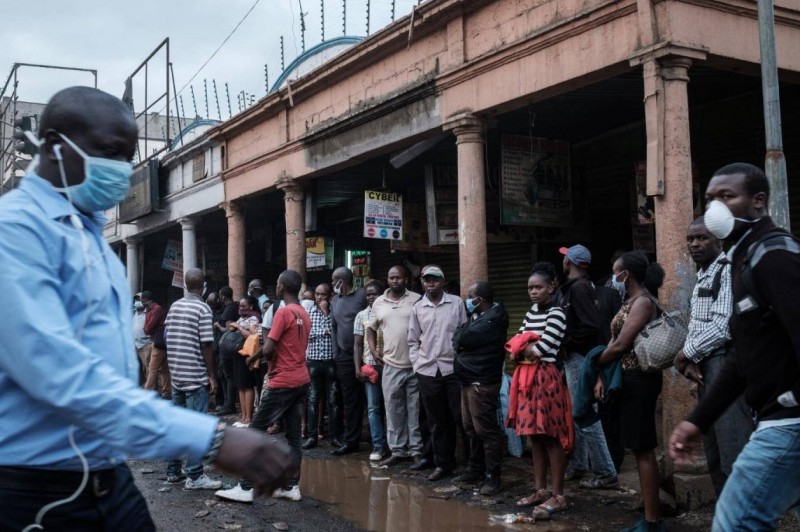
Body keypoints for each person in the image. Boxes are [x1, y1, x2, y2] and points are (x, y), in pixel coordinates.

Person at [0, 86, 292, 530]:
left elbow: (113, 375)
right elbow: (60, 375)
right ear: (57, 147)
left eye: (129, 156)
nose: (122, 170)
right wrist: (213, 439)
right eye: (111, 153)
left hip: (108, 477)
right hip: (37, 491)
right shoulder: (14, 233)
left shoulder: (91, 240)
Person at [670, 163, 800, 531]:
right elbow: (744, 354)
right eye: (711, 198)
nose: (716, 207)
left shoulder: (774, 255)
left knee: (735, 522)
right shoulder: (744, 259)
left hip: (788, 421)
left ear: (758, 202)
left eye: (727, 196)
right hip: (775, 418)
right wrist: (698, 420)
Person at [673, 216, 753, 496]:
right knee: (715, 453)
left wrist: (686, 353)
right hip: (707, 366)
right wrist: (691, 359)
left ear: (718, 238)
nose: (694, 244)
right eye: (690, 239)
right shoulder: (702, 274)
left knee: (733, 448)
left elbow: (723, 327)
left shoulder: (727, 270)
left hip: (724, 364)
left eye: (702, 238)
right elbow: (698, 324)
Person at [216, 270, 312, 504]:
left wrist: (252, 357)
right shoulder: (303, 312)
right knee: (293, 437)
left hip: (283, 381)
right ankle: (291, 486)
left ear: (280, 286)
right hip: (301, 379)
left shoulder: (283, 312)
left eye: (277, 284)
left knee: (254, 431)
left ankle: (246, 487)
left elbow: (269, 348)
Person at [596, 251, 665, 532]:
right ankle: (649, 515)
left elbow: (622, 343)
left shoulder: (643, 302)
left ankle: (652, 521)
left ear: (627, 275)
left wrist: (594, 362)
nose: (613, 278)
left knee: (643, 448)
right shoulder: (630, 300)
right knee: (638, 448)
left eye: (616, 273)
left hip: (639, 379)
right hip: (627, 378)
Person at [508, 263, 570, 518]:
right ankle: (540, 490)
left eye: (538, 287)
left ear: (551, 287)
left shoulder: (557, 313)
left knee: (550, 436)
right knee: (533, 436)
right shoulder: (532, 311)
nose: (533, 292)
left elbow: (537, 350)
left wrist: (524, 346)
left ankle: (559, 495)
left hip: (546, 378)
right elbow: (514, 345)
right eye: (530, 288)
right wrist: (523, 346)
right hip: (526, 378)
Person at [558, 244, 618, 488]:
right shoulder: (580, 287)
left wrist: (567, 343)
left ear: (570, 262)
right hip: (579, 357)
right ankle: (580, 463)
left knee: (584, 413)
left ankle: (605, 472)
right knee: (578, 412)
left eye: (565, 258)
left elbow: (590, 326)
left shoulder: (579, 288)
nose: (562, 261)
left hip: (579, 357)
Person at [408, 265, 468, 482]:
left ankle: (470, 464)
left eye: (434, 279)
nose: (430, 283)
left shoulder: (456, 303)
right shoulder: (418, 308)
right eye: (426, 280)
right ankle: (443, 464)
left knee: (460, 418)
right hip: (427, 371)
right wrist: (417, 364)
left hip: (452, 369)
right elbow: (413, 340)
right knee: (436, 420)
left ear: (443, 282)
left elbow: (464, 334)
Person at [164, 268, 222, 490]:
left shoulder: (175, 306)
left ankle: (172, 470)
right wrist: (211, 375)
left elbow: (167, 336)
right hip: (195, 375)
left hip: (177, 373)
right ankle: (195, 476)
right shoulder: (203, 308)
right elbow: (206, 344)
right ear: (203, 285)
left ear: (186, 285)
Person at [452, 281, 509, 496]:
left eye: (470, 296)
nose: (468, 300)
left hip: (482, 382)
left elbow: (461, 337)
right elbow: (458, 338)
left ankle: (493, 477)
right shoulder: (478, 318)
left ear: (479, 299)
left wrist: (461, 340)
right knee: (471, 428)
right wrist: (461, 339)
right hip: (468, 380)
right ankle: (475, 469)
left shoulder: (493, 320)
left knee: (486, 430)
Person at [367, 265, 424, 468]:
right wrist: (374, 351)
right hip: (390, 364)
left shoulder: (417, 299)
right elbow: (370, 329)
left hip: (415, 365)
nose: (395, 281)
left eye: (398, 278)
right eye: (391, 278)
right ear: (387, 279)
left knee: (414, 409)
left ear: (406, 279)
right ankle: (398, 451)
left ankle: (416, 450)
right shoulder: (379, 303)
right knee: (393, 410)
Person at [330, 267, 368, 455]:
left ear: (341, 281)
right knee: (350, 399)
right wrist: (336, 352)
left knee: (372, 399)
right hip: (344, 357)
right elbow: (334, 327)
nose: (331, 284)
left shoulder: (361, 296)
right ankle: (352, 439)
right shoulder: (336, 300)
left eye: (333, 281)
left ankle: (375, 437)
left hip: (365, 356)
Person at [303, 283, 341, 450]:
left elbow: (336, 333)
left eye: (323, 295)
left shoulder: (334, 311)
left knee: (334, 400)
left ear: (329, 295)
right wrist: (323, 332)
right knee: (312, 399)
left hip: (330, 361)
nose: (319, 298)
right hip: (313, 361)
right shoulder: (309, 312)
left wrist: (326, 314)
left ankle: (335, 437)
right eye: (317, 294)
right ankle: (312, 437)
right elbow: (306, 334)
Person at [354, 280, 388, 461]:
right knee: (373, 408)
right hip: (369, 365)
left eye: (374, 293)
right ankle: (378, 445)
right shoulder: (361, 316)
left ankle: (394, 444)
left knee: (391, 407)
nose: (371, 297)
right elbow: (357, 344)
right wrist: (357, 368)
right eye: (368, 294)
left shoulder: (389, 312)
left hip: (390, 364)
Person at [229, 296, 261, 427]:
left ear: (251, 306)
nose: (241, 309)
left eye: (243, 306)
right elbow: (232, 328)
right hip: (238, 354)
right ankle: (243, 417)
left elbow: (253, 335)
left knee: (247, 385)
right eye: (240, 306)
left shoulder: (254, 318)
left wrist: (239, 327)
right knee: (240, 386)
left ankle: (249, 417)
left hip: (247, 355)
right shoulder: (242, 318)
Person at [215, 286, 240, 415]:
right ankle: (227, 403)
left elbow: (229, 328)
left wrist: (217, 325)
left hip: (227, 345)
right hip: (228, 345)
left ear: (223, 296)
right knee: (223, 375)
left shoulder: (229, 308)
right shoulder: (232, 307)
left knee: (227, 375)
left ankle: (229, 404)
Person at [142, 290, 171, 398]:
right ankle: (166, 392)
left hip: (159, 342)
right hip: (157, 341)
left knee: (152, 367)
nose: (141, 302)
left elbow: (148, 327)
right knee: (164, 369)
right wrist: (147, 328)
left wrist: (147, 328)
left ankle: (147, 390)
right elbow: (146, 328)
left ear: (146, 299)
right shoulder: (149, 310)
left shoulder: (157, 309)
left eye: (142, 299)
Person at [132, 294, 152, 386]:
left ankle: (150, 387)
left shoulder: (148, 313)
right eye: (136, 300)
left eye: (139, 299)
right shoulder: (134, 313)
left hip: (145, 344)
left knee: (148, 367)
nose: (137, 302)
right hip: (135, 344)